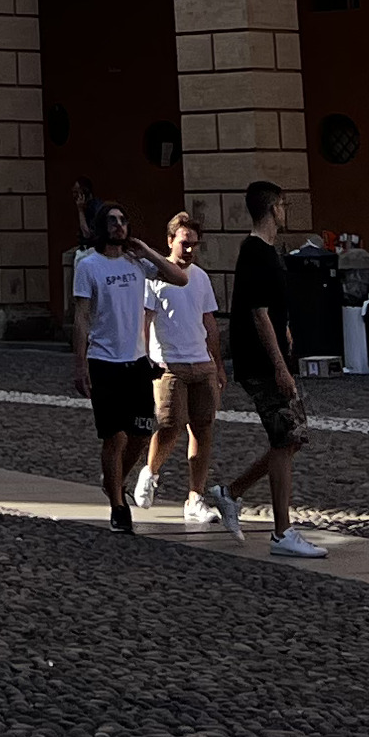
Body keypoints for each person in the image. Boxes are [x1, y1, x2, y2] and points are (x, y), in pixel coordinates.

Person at [216, 176, 324, 557]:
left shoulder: (268, 252)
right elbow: (258, 315)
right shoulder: (255, 253)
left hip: (274, 357)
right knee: (286, 438)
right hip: (262, 363)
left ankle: (229, 493)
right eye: (283, 205)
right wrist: (279, 366)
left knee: (291, 438)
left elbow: (273, 311)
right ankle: (282, 532)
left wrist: (288, 331)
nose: (285, 211)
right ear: (273, 207)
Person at [69, 203, 159, 533]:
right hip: (103, 361)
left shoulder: (138, 261)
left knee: (141, 432)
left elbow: (176, 276)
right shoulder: (88, 265)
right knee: (114, 436)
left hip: (137, 362)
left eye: (123, 220)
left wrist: (147, 249)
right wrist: (80, 365)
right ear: (99, 226)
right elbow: (81, 317)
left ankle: (113, 478)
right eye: (112, 221)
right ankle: (118, 506)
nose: (119, 226)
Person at [139, 209, 223, 525]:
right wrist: (144, 358)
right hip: (168, 363)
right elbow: (145, 319)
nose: (189, 250)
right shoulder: (155, 277)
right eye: (184, 243)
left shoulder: (201, 278)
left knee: (202, 429)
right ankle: (151, 472)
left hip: (202, 363)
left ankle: (195, 498)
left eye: (194, 245)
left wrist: (218, 363)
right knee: (169, 425)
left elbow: (209, 322)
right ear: (171, 240)